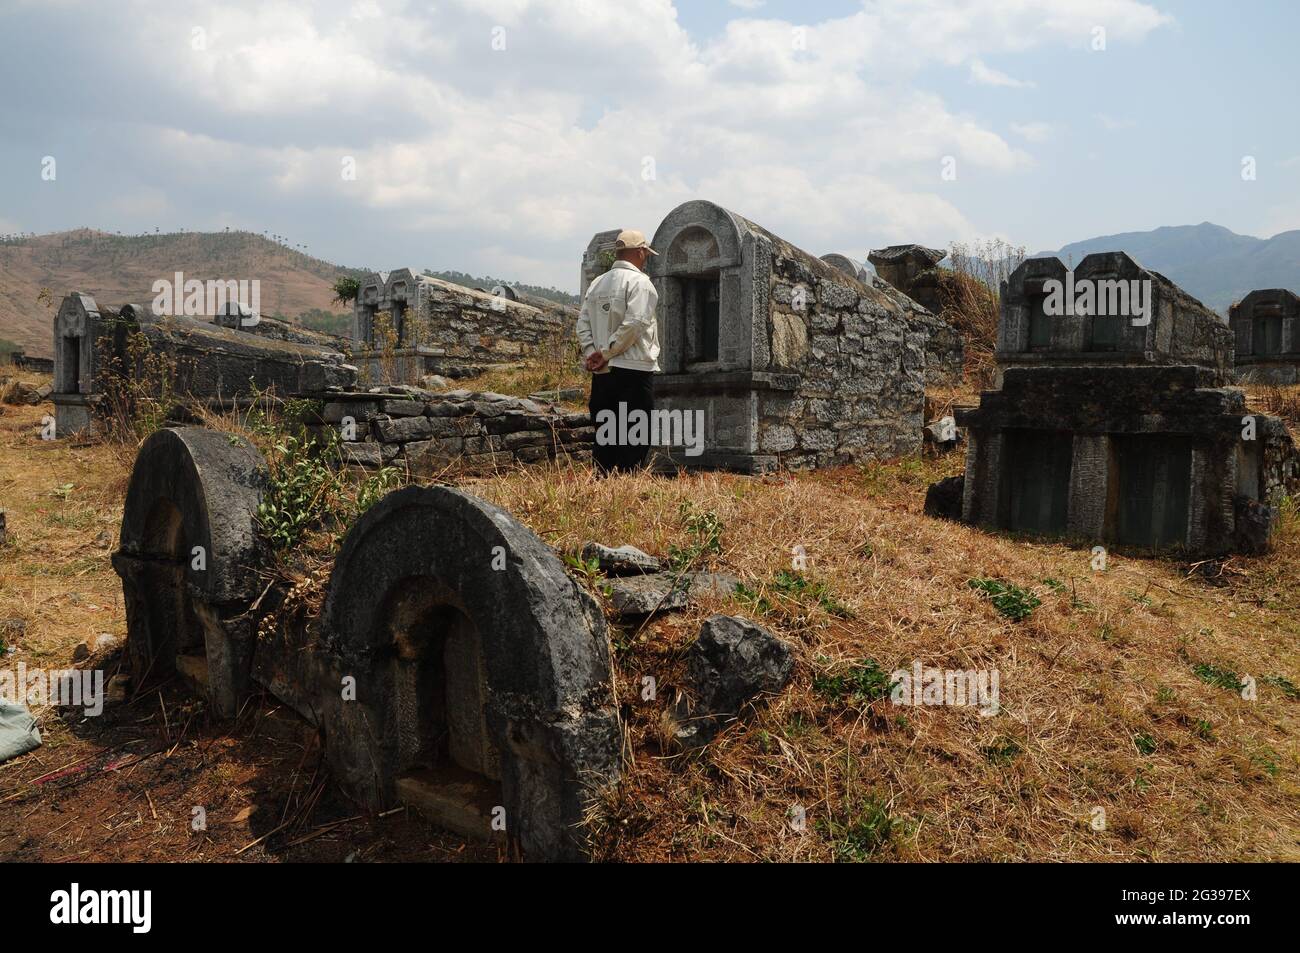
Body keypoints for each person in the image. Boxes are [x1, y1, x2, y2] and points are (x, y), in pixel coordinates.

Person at [576, 228, 661, 473]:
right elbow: (634, 324)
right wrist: (607, 352)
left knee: (605, 432)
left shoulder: (596, 284)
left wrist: (593, 353)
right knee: (635, 432)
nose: (646, 257)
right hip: (633, 367)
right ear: (640, 252)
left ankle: (603, 481)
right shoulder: (641, 283)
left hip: (603, 371)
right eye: (645, 252)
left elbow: (583, 323)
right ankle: (625, 482)